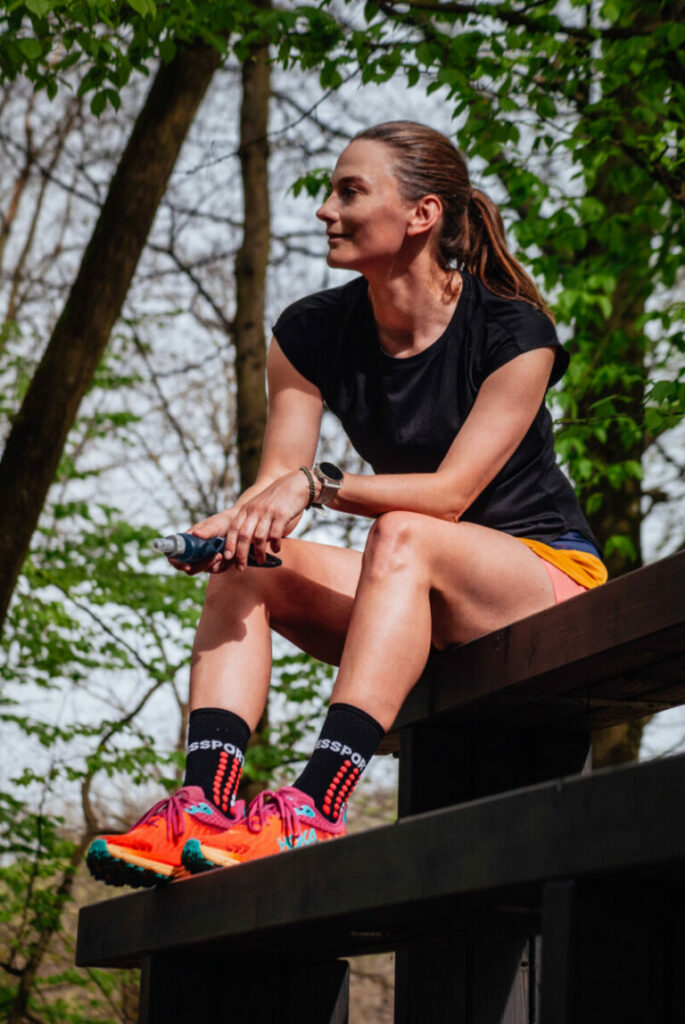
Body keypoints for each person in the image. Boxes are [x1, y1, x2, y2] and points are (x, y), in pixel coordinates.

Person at [86, 121, 607, 888]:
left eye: (349, 192)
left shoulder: (513, 331)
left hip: (539, 578)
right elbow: (275, 484)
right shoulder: (310, 330)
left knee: (404, 532)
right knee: (251, 561)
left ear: (422, 214)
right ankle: (205, 802)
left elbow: (450, 495)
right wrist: (234, 525)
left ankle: (312, 806)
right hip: (413, 591)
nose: (325, 209)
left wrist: (318, 487)